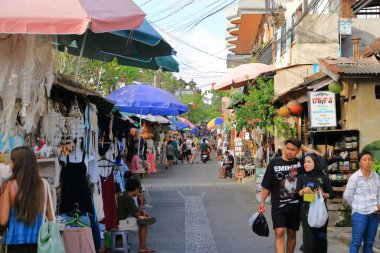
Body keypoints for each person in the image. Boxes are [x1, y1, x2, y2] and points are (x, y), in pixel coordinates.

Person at [0, 146, 54, 253]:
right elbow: (51, 219)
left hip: (14, 243)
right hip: (39, 243)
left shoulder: (8, 186)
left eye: (11, 161)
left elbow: (3, 220)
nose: (10, 165)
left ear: (16, 164)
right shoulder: (43, 185)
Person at [259, 138, 304, 253]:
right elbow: (267, 184)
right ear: (284, 147)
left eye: (293, 149)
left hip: (296, 205)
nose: (289, 151)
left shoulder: (300, 163)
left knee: (291, 233)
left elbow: (319, 159)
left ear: (298, 151)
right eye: (287, 148)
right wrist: (262, 201)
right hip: (278, 204)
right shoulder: (274, 163)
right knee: (279, 232)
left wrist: (304, 147)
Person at [296, 153, 334, 253]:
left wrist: (322, 194)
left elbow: (331, 194)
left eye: (309, 162)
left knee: (321, 240)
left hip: (321, 213)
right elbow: (297, 194)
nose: (305, 164)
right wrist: (303, 190)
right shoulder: (301, 177)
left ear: (316, 163)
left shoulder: (324, 177)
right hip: (306, 214)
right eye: (304, 162)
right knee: (309, 241)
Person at [343, 151, 380, 253]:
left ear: (372, 162)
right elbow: (347, 196)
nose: (367, 162)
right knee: (356, 242)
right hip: (360, 214)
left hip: (374, 214)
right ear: (360, 162)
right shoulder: (355, 177)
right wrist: (357, 206)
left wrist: (378, 204)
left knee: (369, 243)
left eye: (369, 159)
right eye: (364, 160)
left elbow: (379, 193)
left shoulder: (376, 176)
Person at [116, 179, 156, 253]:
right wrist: (141, 202)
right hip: (121, 222)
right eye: (138, 189)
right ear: (136, 189)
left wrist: (142, 212)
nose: (139, 191)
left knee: (142, 218)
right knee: (143, 224)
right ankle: (142, 247)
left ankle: (120, 241)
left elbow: (134, 211)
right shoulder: (127, 198)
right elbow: (136, 214)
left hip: (119, 220)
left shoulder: (124, 195)